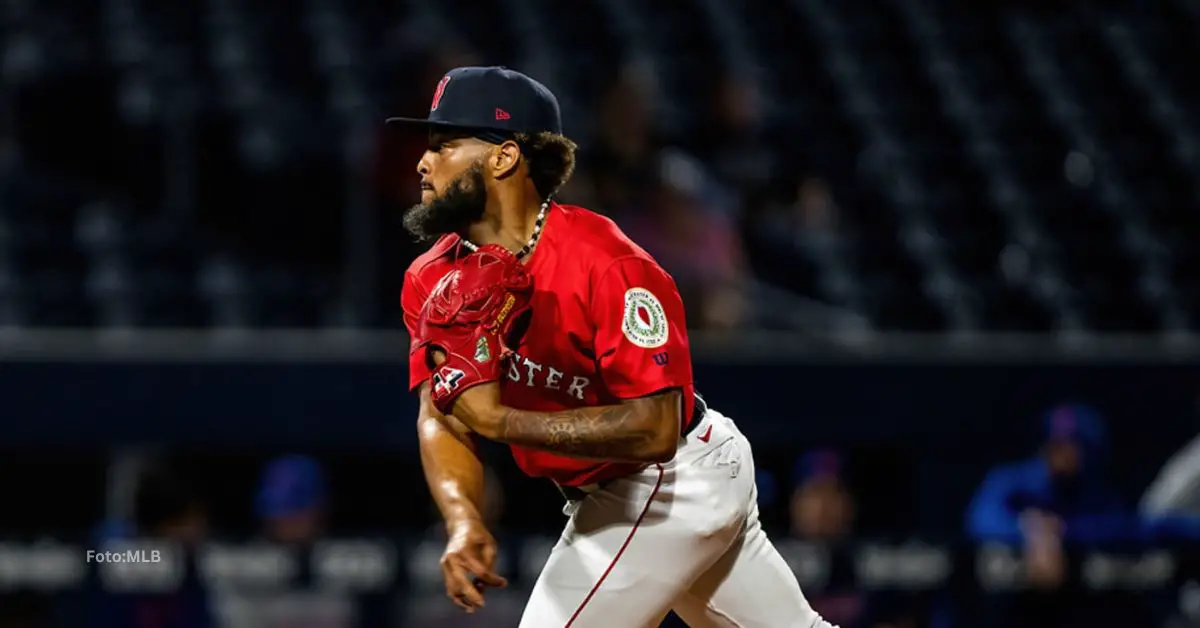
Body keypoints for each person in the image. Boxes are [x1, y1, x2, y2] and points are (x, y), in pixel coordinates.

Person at [391, 66, 832, 627]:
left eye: (446, 144)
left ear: (503, 158)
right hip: (620, 488)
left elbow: (655, 428)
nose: (424, 160)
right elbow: (443, 411)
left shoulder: (608, 263)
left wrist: (504, 423)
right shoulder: (433, 278)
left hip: (670, 477)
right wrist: (462, 519)